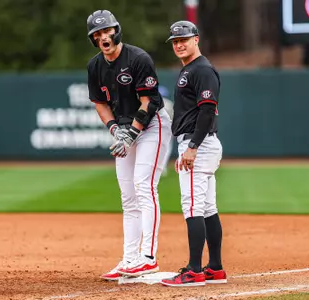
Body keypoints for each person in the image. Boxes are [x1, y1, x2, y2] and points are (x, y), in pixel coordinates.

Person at [86, 10, 172, 280]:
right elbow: (100, 104)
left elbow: (148, 102)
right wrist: (115, 131)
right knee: (128, 197)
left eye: (107, 30)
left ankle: (148, 257)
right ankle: (129, 258)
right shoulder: (95, 66)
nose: (103, 36)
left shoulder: (138, 58)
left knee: (144, 187)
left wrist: (131, 133)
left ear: (117, 30)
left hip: (152, 126)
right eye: (97, 34)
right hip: (123, 128)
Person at [160, 21, 227, 287]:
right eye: (175, 41)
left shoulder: (202, 69)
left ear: (196, 39)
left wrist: (192, 148)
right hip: (201, 144)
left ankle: (194, 270)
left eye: (183, 39)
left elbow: (207, 110)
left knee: (192, 207)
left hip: (198, 144)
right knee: (208, 207)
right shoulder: (190, 69)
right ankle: (215, 268)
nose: (178, 44)